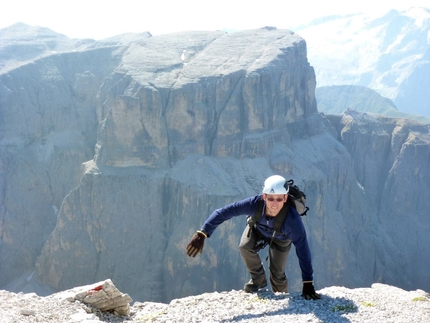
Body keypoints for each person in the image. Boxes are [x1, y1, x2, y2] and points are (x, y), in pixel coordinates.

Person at [186, 175, 320, 300]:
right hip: (257, 229)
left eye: (279, 199)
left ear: (285, 199)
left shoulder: (293, 220)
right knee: (244, 247)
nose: (274, 203)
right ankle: (258, 279)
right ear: (264, 196)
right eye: (271, 198)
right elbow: (224, 212)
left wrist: (307, 281)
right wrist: (203, 233)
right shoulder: (254, 204)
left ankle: (281, 297)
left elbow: (303, 250)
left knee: (278, 273)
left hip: (282, 238)